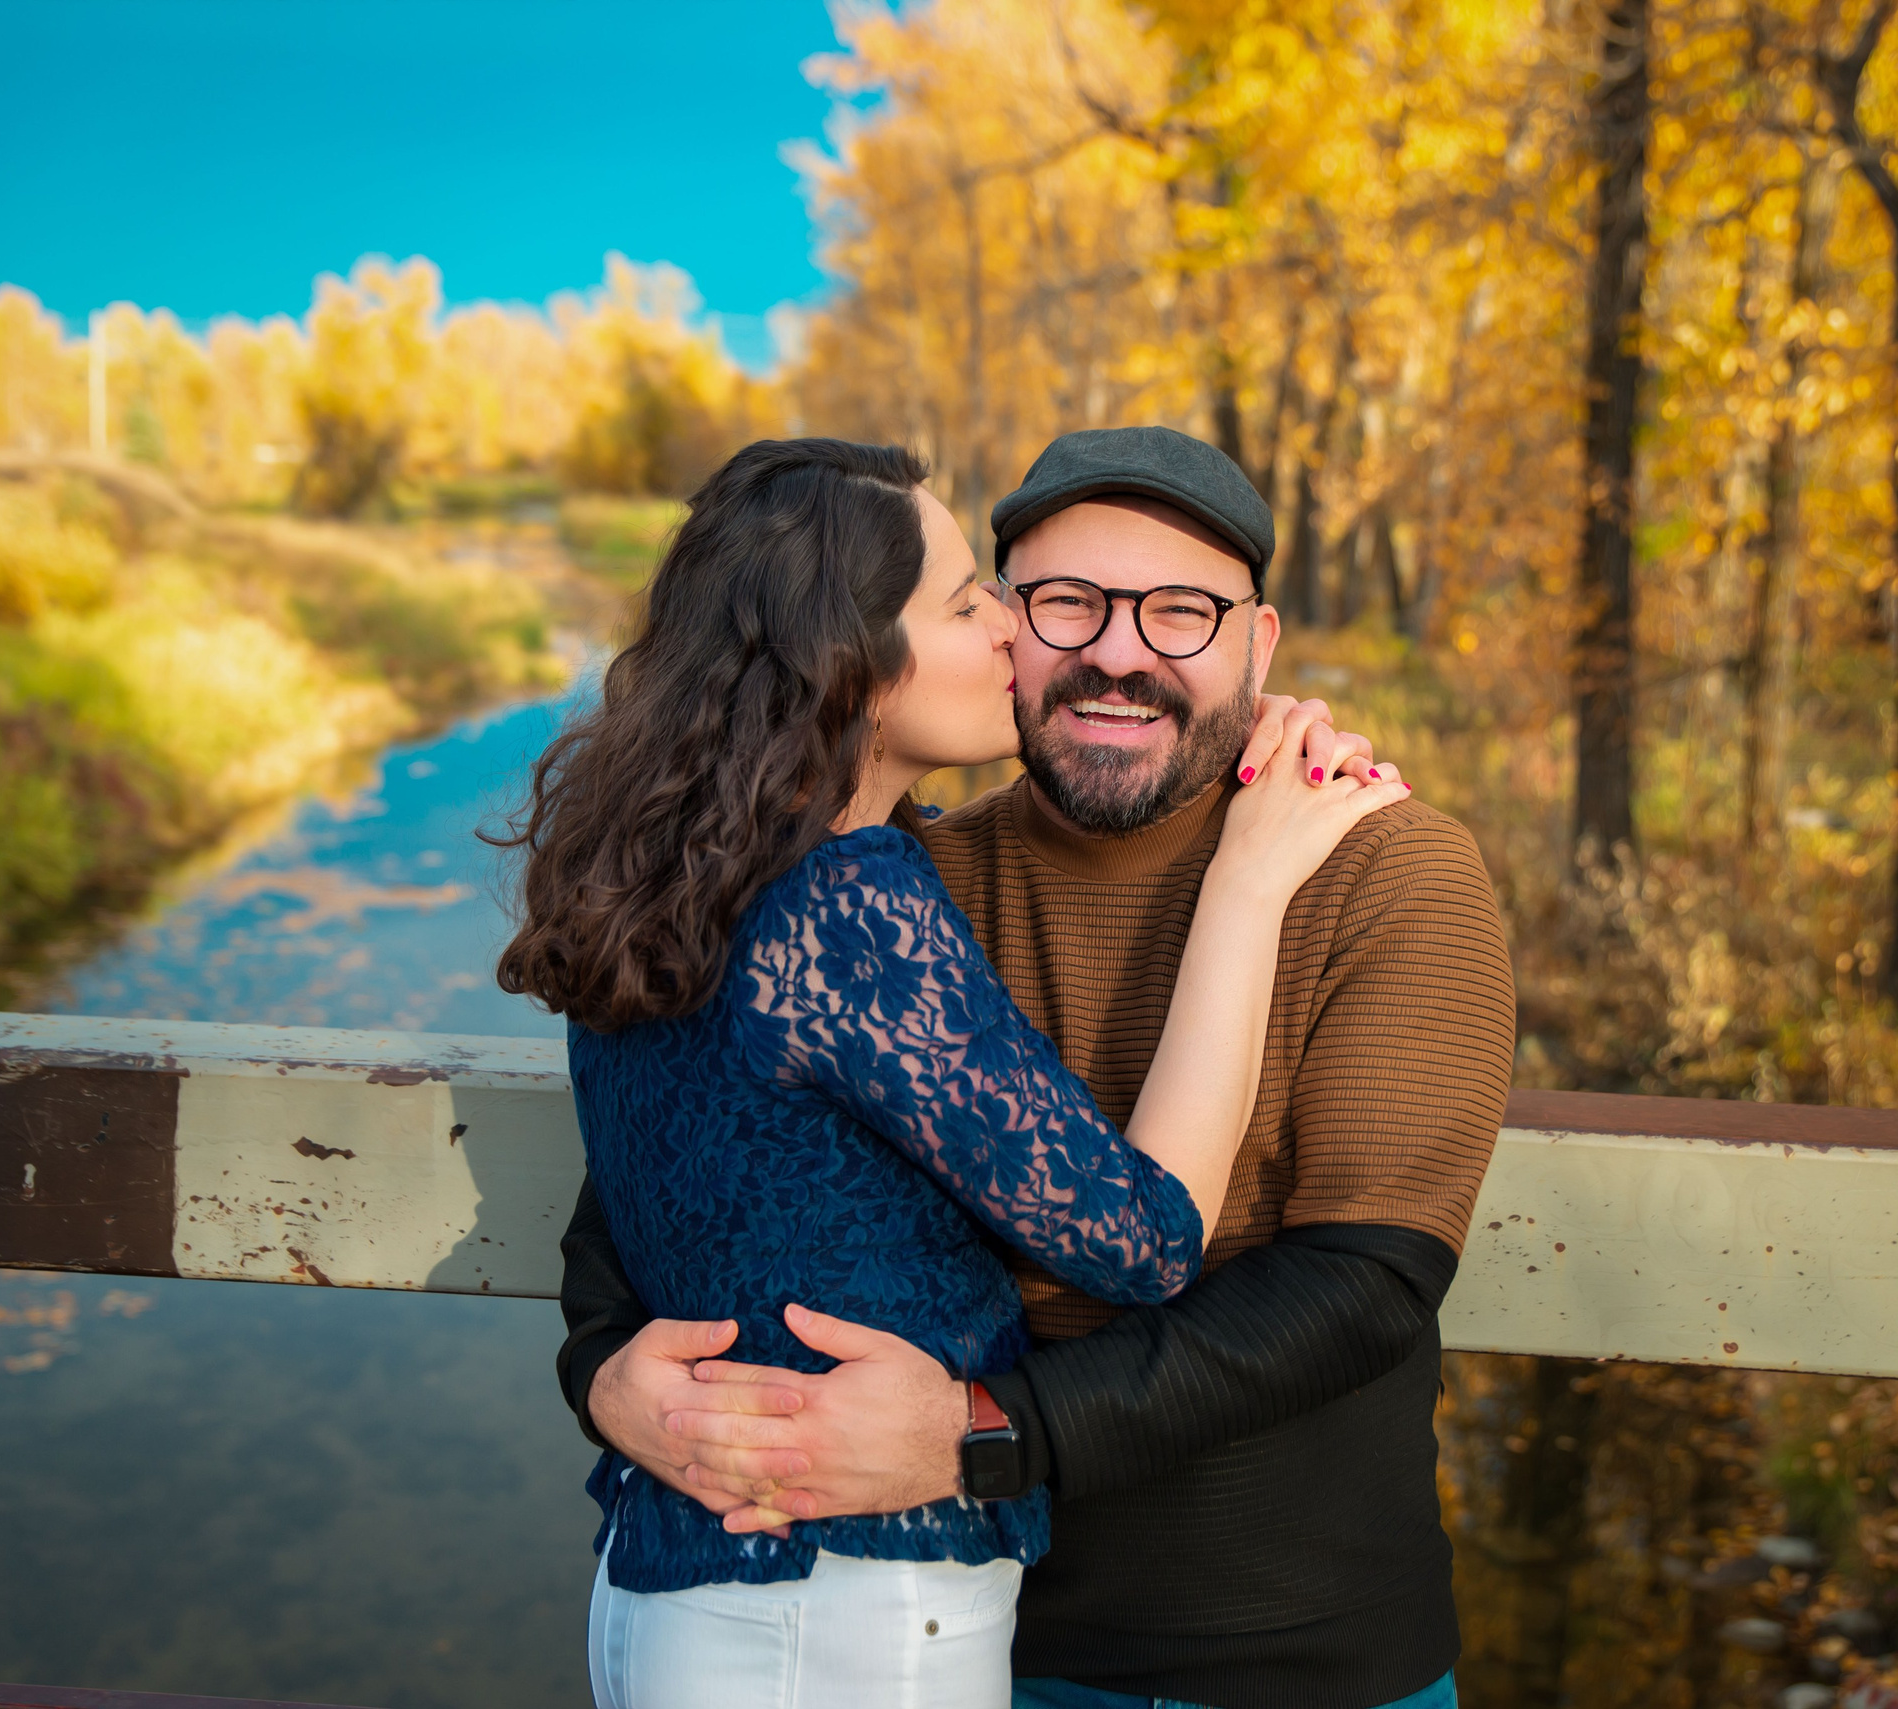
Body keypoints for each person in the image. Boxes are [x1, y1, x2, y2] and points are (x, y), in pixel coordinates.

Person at [560, 425, 1516, 1709]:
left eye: (1180, 611)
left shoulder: (1386, 868)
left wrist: (985, 1432)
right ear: (1005, 624)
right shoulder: (898, 877)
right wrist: (604, 1374)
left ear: (1258, 643)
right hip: (956, 1634)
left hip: (1294, 1659)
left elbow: (1363, 1283)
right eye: (1063, 601)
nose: (1117, 651)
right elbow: (669, 1182)